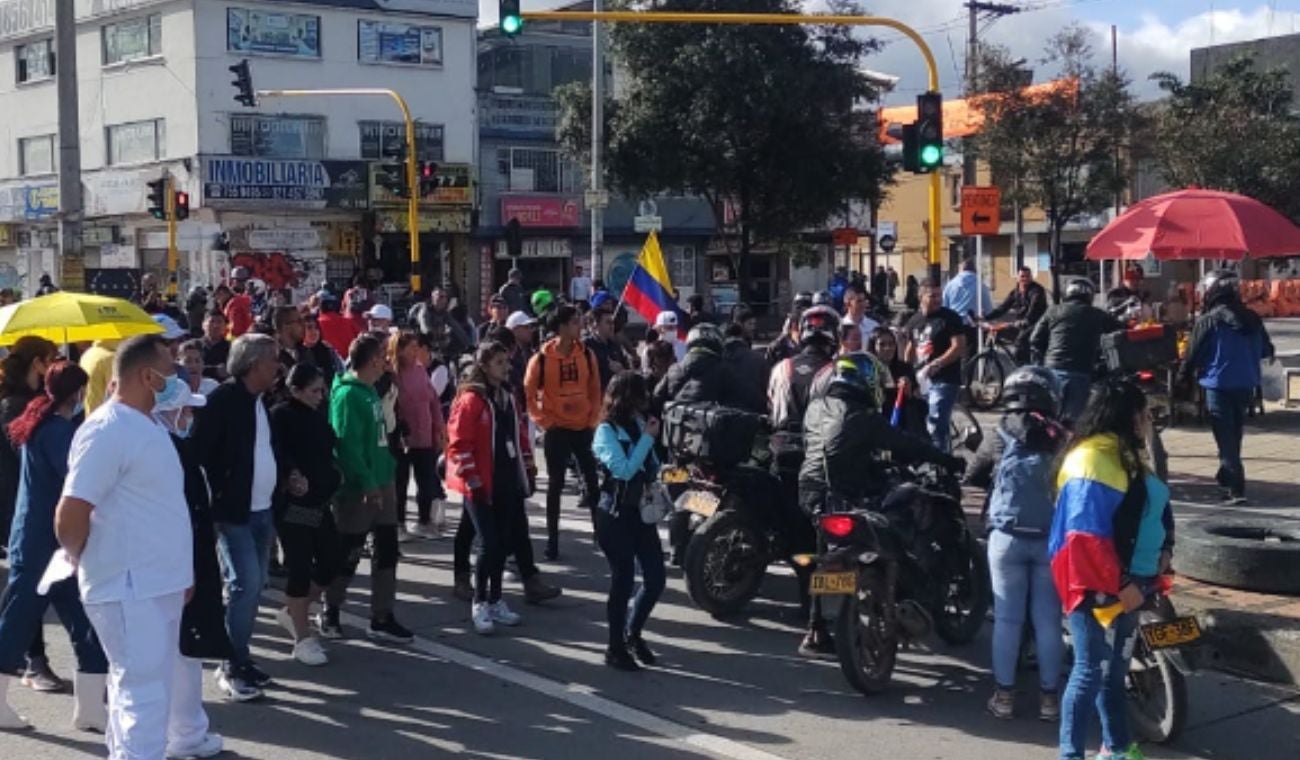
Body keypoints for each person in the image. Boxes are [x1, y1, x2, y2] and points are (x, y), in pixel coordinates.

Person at [53, 334, 195, 758]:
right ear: (147, 376)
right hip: (129, 586)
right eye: (171, 373)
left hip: (157, 583)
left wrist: (180, 575)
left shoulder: (149, 424)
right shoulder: (107, 429)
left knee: (139, 690)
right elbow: (71, 511)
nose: (178, 380)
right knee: (143, 698)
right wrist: (82, 556)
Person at [798, 352, 964, 656]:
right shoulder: (862, 416)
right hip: (847, 493)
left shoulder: (815, 407)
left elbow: (823, 448)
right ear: (867, 382)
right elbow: (904, 443)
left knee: (825, 554)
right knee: (899, 516)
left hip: (810, 493)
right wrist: (947, 459)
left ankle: (815, 630)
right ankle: (899, 581)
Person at [1051, 378, 1174, 760]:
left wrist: (1166, 548)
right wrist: (1120, 585)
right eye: (1143, 412)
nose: (1146, 420)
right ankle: (1071, 755)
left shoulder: (1126, 453)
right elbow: (1084, 537)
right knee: (1089, 671)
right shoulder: (1092, 459)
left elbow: (1155, 507)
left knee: (1114, 673)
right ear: (1129, 415)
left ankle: (1118, 748)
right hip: (1098, 587)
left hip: (1135, 582)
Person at [0, 362, 108, 731]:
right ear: (78, 393)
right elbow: (79, 479)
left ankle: (92, 708)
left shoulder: (39, 423)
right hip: (48, 543)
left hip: (42, 541)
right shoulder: (59, 431)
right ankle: (90, 706)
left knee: (77, 620)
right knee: (29, 622)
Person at [963, 366, 1067, 721]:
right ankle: (1050, 702)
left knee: (1007, 620)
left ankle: (1004, 698)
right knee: (1049, 621)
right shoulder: (1063, 437)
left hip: (1006, 538)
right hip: (1051, 539)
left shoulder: (999, 434)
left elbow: (973, 475)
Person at [192, 334, 281, 702]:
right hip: (234, 513)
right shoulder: (223, 401)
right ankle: (229, 663)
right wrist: (216, 499)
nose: (278, 366)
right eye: (273, 360)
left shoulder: (261, 402)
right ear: (254, 364)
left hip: (263, 508)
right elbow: (198, 453)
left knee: (255, 585)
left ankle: (240, 657)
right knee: (245, 584)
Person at [322, 334, 414, 644]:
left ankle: (382, 615)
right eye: (382, 357)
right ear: (372, 359)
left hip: (383, 479)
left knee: (386, 550)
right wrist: (367, 482)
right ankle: (330, 608)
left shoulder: (372, 391)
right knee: (349, 551)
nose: (386, 362)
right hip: (358, 487)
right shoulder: (348, 395)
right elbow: (347, 446)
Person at [155, 377, 228, 759]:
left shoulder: (172, 446)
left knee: (182, 652)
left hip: (183, 563)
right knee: (181, 654)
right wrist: (187, 570)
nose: (190, 416)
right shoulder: (167, 449)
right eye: (185, 409)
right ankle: (182, 734)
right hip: (180, 565)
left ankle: (187, 729)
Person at [446, 342, 536, 634]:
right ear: (484, 365)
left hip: (507, 480)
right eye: (499, 362)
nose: (505, 367)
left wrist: (528, 466)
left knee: (504, 541)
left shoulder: (507, 396)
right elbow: (458, 444)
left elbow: (519, 434)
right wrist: (472, 479)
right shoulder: (471, 400)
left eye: (506, 361)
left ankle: (496, 599)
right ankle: (480, 601)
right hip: (481, 483)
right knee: (489, 542)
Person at [1179, 270, 1275, 505]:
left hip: (1218, 384)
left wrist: (1184, 377)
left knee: (1225, 436)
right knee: (1234, 432)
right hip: (1246, 383)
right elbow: (1266, 349)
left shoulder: (1209, 320)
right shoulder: (1253, 318)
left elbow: (1193, 354)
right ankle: (1226, 476)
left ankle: (1235, 487)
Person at [591, 372, 667, 671]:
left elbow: (650, 465)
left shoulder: (638, 422)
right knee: (622, 581)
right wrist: (648, 439)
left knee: (656, 579)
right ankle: (614, 647)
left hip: (641, 513)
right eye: (640, 396)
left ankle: (632, 632)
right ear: (626, 397)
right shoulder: (605, 431)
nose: (645, 401)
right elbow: (623, 470)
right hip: (615, 514)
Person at [270, 364, 342, 667]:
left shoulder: (318, 415)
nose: (320, 395)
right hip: (294, 505)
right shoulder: (280, 415)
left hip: (319, 503)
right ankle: (302, 637)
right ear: (295, 389)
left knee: (332, 560)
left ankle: (293, 609)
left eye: (321, 389)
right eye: (313, 390)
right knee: (299, 565)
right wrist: (291, 474)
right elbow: (278, 452)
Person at [0, 336, 61, 689]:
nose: (53, 365)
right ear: (37, 363)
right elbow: (21, 452)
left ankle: (33, 661)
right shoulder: (14, 404)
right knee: (30, 587)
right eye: (50, 359)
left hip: (29, 504)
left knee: (38, 586)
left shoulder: (31, 402)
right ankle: (32, 661)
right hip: (18, 504)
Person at [524, 305, 603, 561]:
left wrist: (593, 418)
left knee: (592, 482)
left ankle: (600, 535)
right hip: (556, 429)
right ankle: (553, 540)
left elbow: (595, 389)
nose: (579, 326)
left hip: (583, 428)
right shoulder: (542, 359)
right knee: (555, 486)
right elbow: (527, 393)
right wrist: (544, 420)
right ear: (561, 327)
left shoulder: (588, 355)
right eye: (574, 322)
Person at [1031, 278, 1123, 426]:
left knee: (1050, 418)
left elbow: (1034, 340)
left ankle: (1049, 446)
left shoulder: (1053, 311)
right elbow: (1119, 331)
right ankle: (1068, 447)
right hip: (1080, 373)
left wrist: (1040, 366)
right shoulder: (1096, 314)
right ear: (1090, 296)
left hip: (1052, 372)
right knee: (1073, 423)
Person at [392, 332, 447, 538]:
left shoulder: (420, 370)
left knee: (426, 480)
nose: (415, 351)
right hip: (402, 437)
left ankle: (425, 521)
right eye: (410, 347)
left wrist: (439, 428)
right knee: (401, 481)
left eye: (416, 347)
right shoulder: (392, 372)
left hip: (424, 433)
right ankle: (399, 523)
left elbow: (433, 401)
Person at [905, 281, 967, 452]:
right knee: (920, 422)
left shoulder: (950, 318)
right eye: (932, 296)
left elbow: (959, 346)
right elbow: (910, 349)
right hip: (921, 380)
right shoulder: (914, 320)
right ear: (921, 297)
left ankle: (943, 465)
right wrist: (907, 373)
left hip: (945, 378)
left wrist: (937, 364)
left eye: (939, 295)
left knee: (936, 422)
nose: (937, 299)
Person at [652, 323, 761, 412]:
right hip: (711, 436)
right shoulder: (724, 370)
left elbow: (656, 399)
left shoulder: (674, 370)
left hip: (677, 434)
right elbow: (749, 400)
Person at [984, 266, 1049, 363]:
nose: (1025, 279)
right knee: (1000, 333)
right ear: (1017, 278)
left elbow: (1033, 308)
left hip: (1037, 323)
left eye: (1027, 276)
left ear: (1031, 277)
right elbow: (1003, 308)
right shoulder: (1015, 292)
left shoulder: (1037, 290)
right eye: (1022, 276)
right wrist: (986, 317)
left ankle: (1025, 367)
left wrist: (1026, 320)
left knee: (1021, 342)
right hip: (1022, 323)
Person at [722, 322, 768, 413]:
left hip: (725, 415)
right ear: (742, 336)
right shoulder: (758, 358)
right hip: (755, 414)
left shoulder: (718, 359)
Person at [584, 306, 632, 391]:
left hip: (613, 396)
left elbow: (627, 371)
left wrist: (622, 370)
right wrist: (605, 367)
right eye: (608, 322)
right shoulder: (586, 346)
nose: (612, 326)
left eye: (612, 323)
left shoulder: (615, 345)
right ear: (596, 324)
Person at [943, 255, 994, 327]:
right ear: (974, 269)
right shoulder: (980, 285)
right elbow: (988, 310)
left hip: (953, 324)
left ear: (960, 269)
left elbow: (944, 307)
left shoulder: (950, 285)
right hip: (972, 324)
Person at [316, 290, 360, 359]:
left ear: (320, 309)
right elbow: (361, 339)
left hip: (329, 363)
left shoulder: (316, 324)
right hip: (350, 362)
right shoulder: (349, 322)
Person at [79, 339, 119, 413]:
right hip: (104, 415)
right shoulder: (110, 358)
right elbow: (117, 392)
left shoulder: (87, 354)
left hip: (87, 413)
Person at [200, 311, 232, 382]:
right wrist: (215, 370)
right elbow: (186, 367)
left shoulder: (232, 348)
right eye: (212, 322)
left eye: (219, 322)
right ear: (203, 325)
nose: (216, 326)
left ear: (225, 326)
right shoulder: (193, 345)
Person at [224, 268, 254, 339]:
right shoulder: (227, 296)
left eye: (244, 280)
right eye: (239, 281)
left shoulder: (249, 296)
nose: (242, 283)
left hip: (247, 333)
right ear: (233, 280)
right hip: (233, 335)